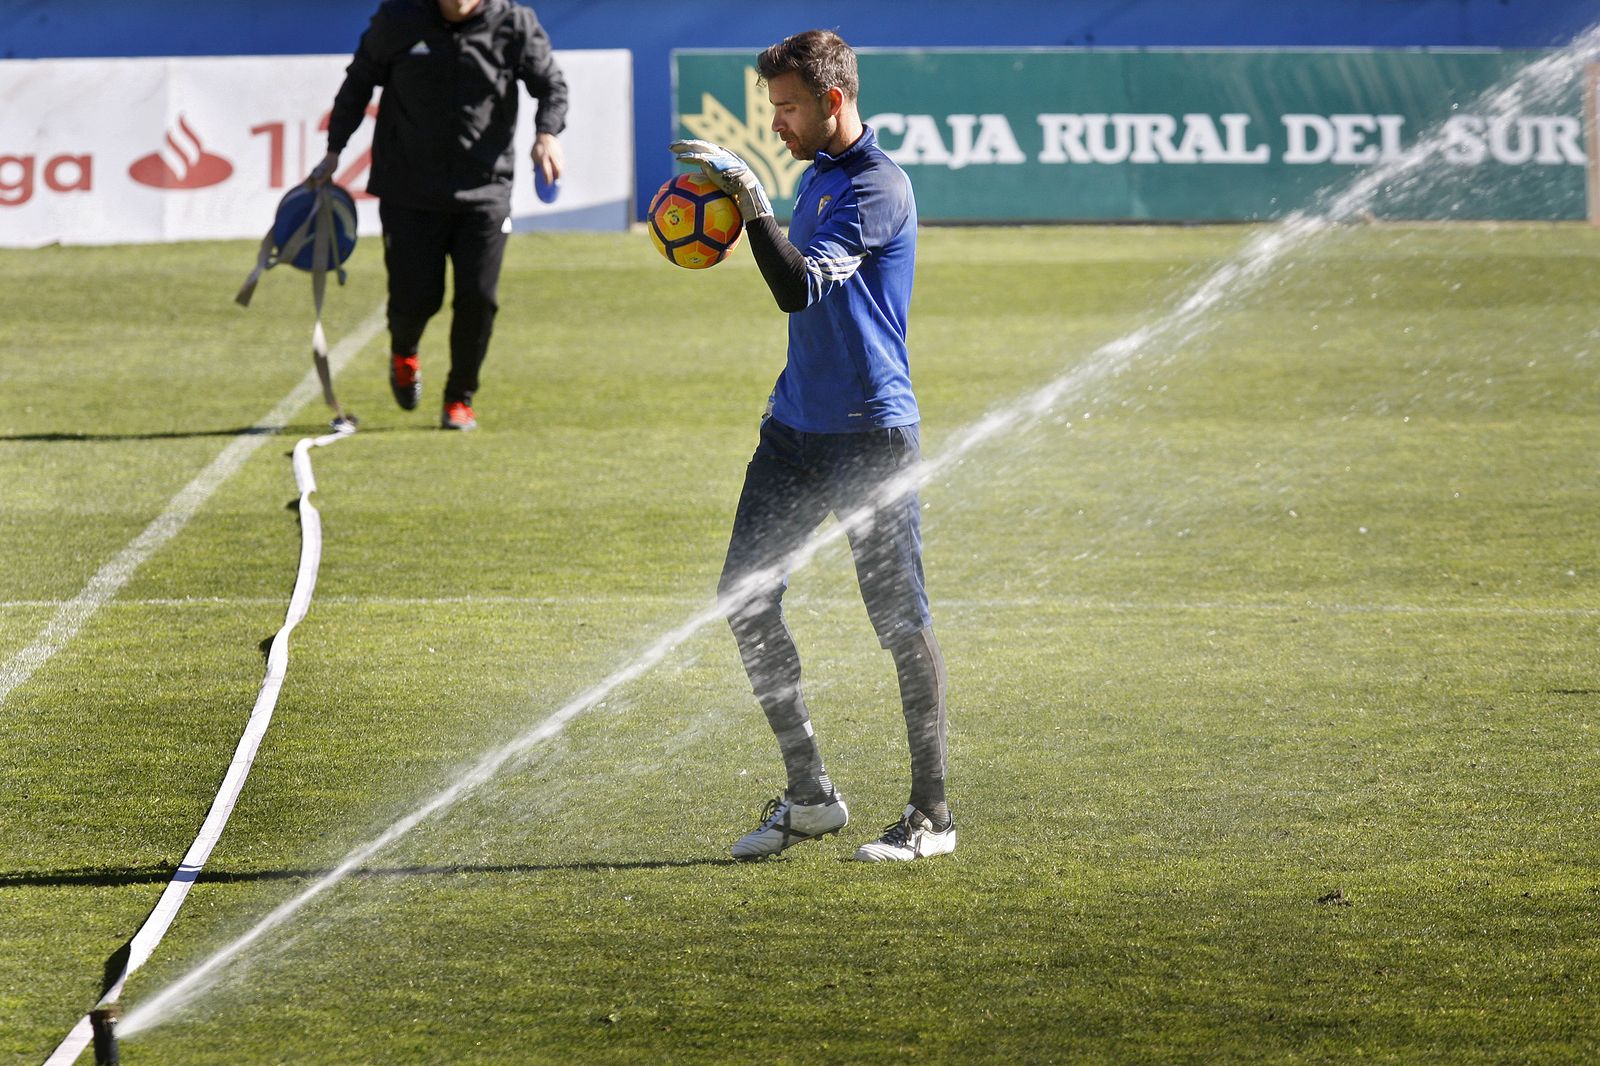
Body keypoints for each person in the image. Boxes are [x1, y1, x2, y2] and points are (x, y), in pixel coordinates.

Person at [673, 29, 953, 863]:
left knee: (898, 621)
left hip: (870, 436)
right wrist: (764, 201)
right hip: (793, 432)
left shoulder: (879, 187)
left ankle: (932, 815)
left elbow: (797, 286)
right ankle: (808, 793)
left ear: (833, 101)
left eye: (788, 107)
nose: (778, 123)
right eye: (772, 108)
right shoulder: (819, 176)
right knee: (745, 595)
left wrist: (752, 201)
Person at [311, 0, 568, 431]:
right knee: (416, 298)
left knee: (478, 299)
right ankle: (404, 352)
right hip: (408, 189)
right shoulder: (398, 18)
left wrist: (547, 133)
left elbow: (551, 85)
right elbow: (358, 83)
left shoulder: (514, 23)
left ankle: (459, 398)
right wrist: (334, 150)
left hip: (486, 189)